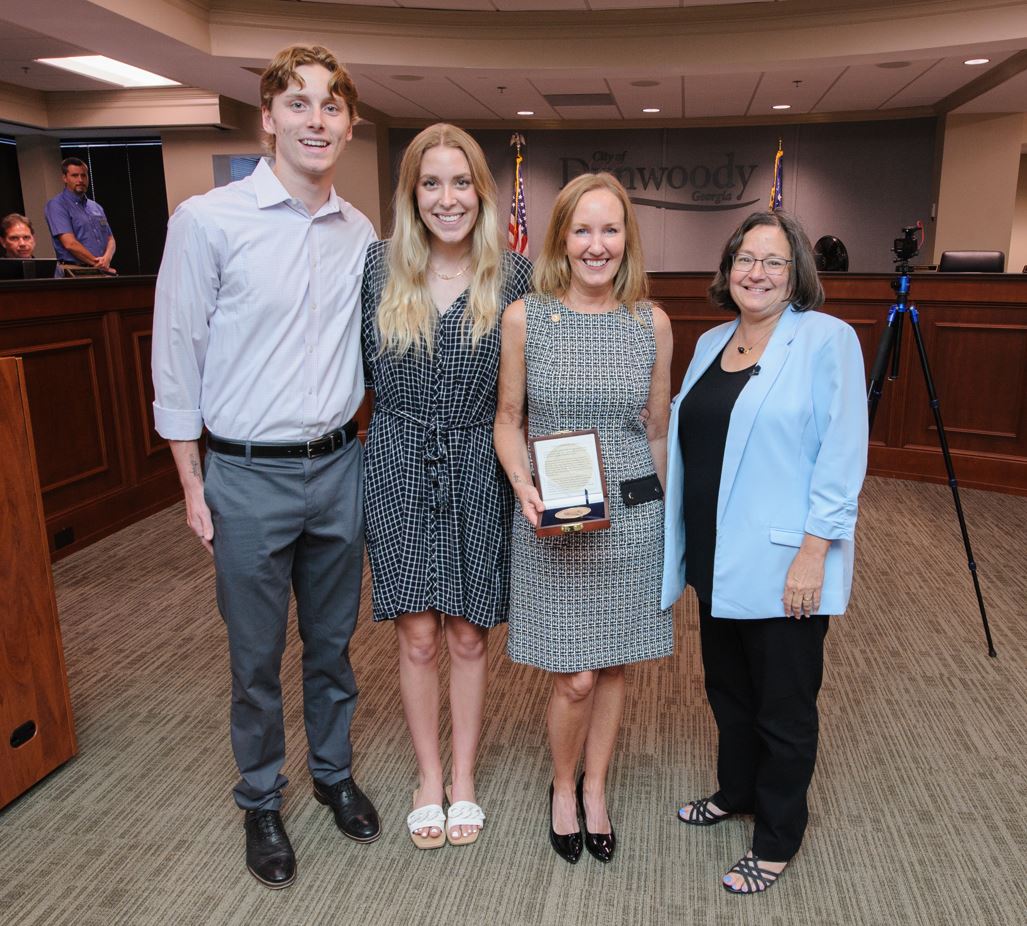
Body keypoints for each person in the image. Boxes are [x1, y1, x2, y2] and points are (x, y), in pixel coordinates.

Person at [151, 44, 380, 890]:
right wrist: (190, 483)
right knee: (254, 658)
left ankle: (332, 774)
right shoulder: (208, 220)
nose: (314, 119)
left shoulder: (361, 233)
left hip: (339, 465)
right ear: (268, 119)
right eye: (298, 103)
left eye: (330, 106)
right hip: (244, 475)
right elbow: (178, 356)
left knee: (332, 647)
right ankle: (260, 799)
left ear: (349, 126)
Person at [662, 210, 868, 894]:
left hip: (785, 565)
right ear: (726, 270)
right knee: (727, 692)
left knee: (783, 706)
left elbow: (841, 456)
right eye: (744, 258)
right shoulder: (710, 341)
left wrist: (815, 553)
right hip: (715, 560)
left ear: (795, 274)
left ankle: (776, 837)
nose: (756, 272)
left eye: (773, 262)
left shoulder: (824, 340)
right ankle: (734, 791)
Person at [361, 124, 532, 849]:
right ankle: (426, 777)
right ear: (411, 194)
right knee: (418, 634)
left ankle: (462, 777)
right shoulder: (376, 267)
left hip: (477, 463)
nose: (447, 197)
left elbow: (531, 395)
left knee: (466, 634)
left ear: (481, 193)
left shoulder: (516, 276)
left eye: (460, 182)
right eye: (430, 183)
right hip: (396, 457)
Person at [494, 171, 673, 865]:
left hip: (629, 521)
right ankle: (561, 786)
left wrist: (664, 526)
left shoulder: (648, 322)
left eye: (610, 229)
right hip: (556, 517)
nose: (596, 245)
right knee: (573, 675)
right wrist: (522, 484)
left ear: (625, 238)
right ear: (560, 238)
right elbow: (508, 421)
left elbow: (654, 433)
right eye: (582, 230)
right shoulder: (526, 318)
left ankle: (596, 787)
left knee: (614, 667)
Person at [44, 158, 116, 271]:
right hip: (74, 270)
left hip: (101, 269)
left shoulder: (96, 207)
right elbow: (69, 243)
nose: (80, 180)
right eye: (75, 175)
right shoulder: (57, 205)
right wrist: (99, 264)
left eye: (83, 175)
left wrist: (107, 258)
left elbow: (110, 239)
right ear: (65, 178)